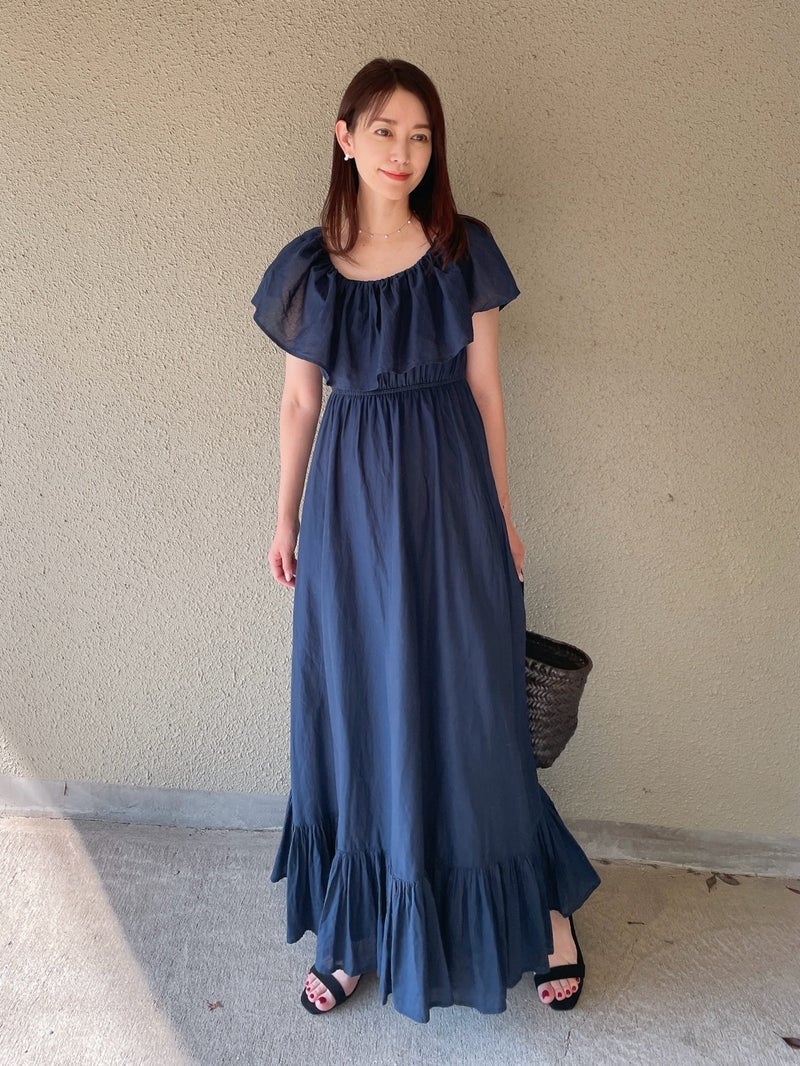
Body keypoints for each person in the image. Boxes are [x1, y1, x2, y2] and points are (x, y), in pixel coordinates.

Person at [251, 57, 601, 1025]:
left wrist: (502, 514)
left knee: (473, 714)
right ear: (345, 138)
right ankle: (353, 928)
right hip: (348, 516)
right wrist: (284, 517)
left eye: (420, 135)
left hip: (452, 508)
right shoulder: (311, 270)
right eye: (384, 131)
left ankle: (543, 912)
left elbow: (487, 393)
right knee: (357, 711)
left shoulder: (462, 253)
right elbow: (299, 403)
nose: (402, 152)